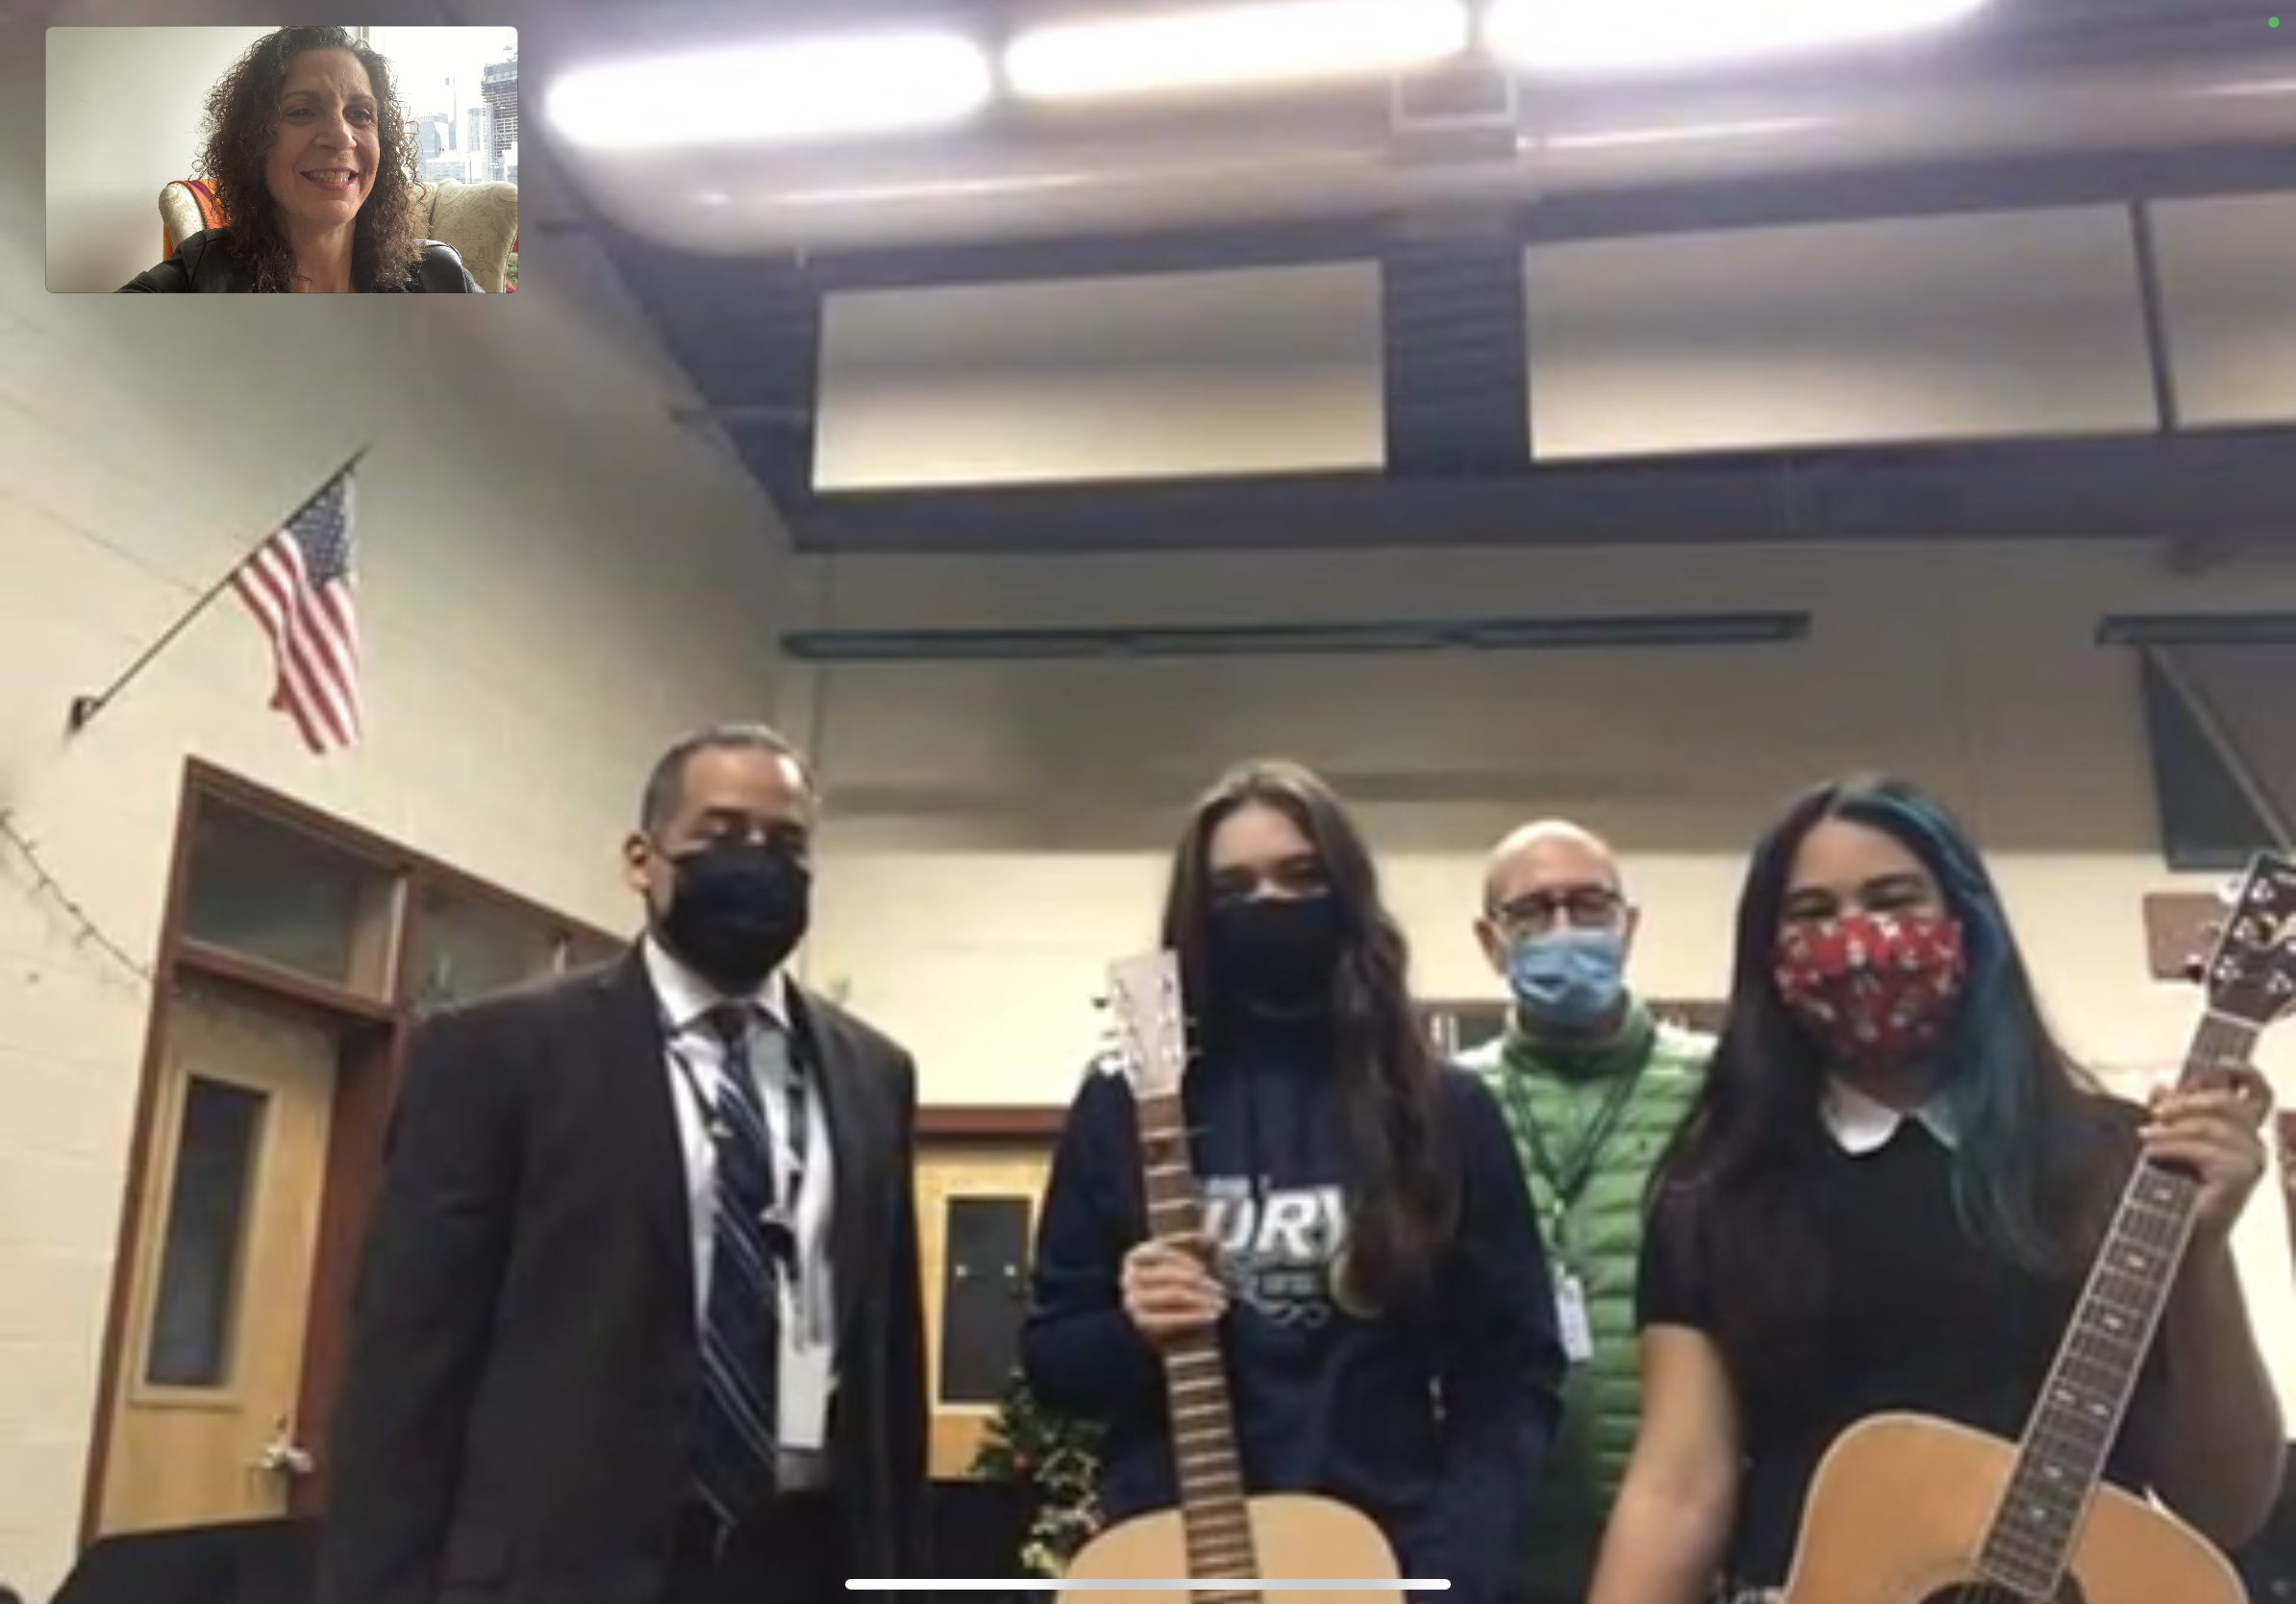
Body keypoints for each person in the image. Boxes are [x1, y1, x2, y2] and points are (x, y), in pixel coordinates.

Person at [1586, 774, 2284, 1604]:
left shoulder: (2116, 1155)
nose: (1855, 940)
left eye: (1891, 899)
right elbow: (1676, 1489)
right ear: (1767, 955)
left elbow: (2227, 1503)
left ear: (1967, 923)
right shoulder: (1718, 1187)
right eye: (1812, 914)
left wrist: (2202, 1249)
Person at [317, 723, 929, 1604]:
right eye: (720, 836)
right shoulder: (498, 1053)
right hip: (568, 1568)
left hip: (808, 1561)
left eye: (785, 844)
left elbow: (889, 1366)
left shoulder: (874, 1075)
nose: (756, 862)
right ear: (643, 859)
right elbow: (406, 1368)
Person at [1021, 759, 1566, 1604]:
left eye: (1300, 878)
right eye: (1233, 889)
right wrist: (1132, 1328)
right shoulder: (1124, 1107)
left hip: (1385, 1554)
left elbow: (1512, 1369)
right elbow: (1054, 1364)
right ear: (1196, 919)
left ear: (1345, 895)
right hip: (1171, 1563)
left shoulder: (1443, 1109)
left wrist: (1451, 1568)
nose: (1268, 905)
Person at [1456, 820, 1709, 1604]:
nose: (1563, 929)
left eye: (1588, 905)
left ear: (1628, 924)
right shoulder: (1442, 1104)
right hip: (1503, 1531)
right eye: (1532, 912)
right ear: (1491, 942)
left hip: (1690, 1526)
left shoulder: (1722, 1090)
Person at [119, 27, 481, 292]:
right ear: (253, 140)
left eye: (360, 114)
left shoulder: (442, 277)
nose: (341, 136)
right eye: (303, 110)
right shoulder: (198, 278)